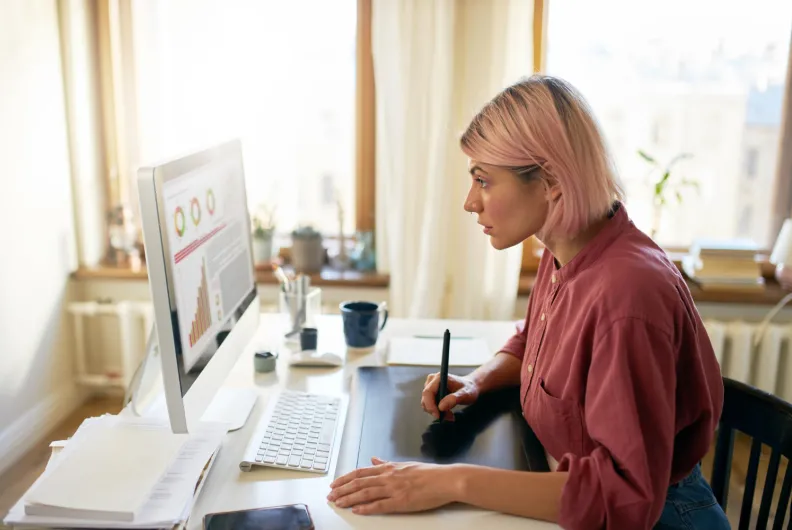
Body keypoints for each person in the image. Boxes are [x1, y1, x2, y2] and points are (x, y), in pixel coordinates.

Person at [327, 74, 728, 529]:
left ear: (551, 181)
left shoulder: (628, 296)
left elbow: (625, 497)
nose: (469, 203)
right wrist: (478, 381)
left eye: (483, 180)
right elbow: (537, 338)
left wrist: (445, 482)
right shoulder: (569, 246)